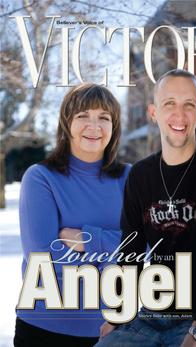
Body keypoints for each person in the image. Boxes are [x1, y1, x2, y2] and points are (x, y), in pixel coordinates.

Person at [95, 70, 196, 347]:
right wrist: (119, 313)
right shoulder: (140, 176)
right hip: (148, 317)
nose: (179, 115)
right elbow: (130, 251)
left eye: (189, 104)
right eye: (169, 103)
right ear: (153, 112)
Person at [14, 84, 131, 347]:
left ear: (114, 127)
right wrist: (115, 255)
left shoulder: (131, 179)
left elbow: (147, 246)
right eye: (83, 116)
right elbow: (42, 259)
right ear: (66, 124)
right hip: (45, 330)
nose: (94, 126)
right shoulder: (40, 177)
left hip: (117, 331)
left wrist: (88, 240)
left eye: (104, 118)